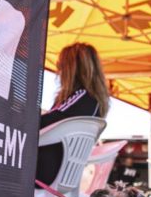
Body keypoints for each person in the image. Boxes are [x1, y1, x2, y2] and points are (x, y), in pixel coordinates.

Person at [35, 42, 110, 186]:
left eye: (61, 64)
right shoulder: (92, 102)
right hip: (62, 173)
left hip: (45, 171)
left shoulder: (83, 97)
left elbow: (46, 122)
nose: (58, 70)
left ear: (71, 68)